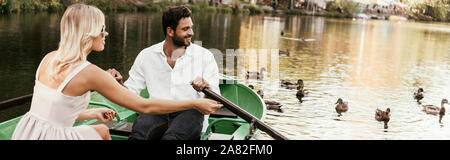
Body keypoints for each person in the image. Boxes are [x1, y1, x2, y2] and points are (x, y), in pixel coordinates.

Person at [11, 4, 222, 140]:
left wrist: (93, 111)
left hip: (27, 131)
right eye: (102, 29)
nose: (106, 33)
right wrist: (195, 101)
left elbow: (54, 111)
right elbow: (141, 103)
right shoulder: (92, 72)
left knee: (107, 130)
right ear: (89, 33)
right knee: (127, 133)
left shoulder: (49, 58)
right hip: (154, 111)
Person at [107, 5, 220, 140]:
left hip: (191, 113)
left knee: (171, 139)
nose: (191, 33)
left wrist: (206, 88)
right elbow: (130, 94)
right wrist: (118, 84)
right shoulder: (146, 55)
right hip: (156, 111)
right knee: (138, 136)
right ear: (170, 31)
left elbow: (215, 103)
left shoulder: (205, 56)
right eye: (185, 29)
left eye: (191, 27)